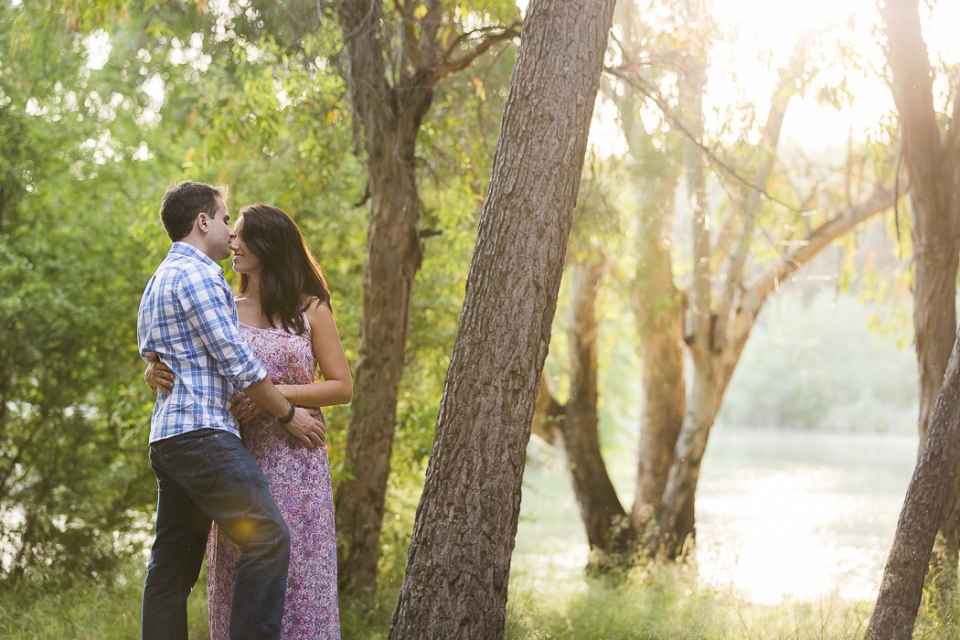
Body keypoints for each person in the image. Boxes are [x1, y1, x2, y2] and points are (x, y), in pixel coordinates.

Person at [146, 203, 352, 639]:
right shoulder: (224, 303)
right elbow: (191, 348)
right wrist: (151, 366)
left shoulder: (310, 309)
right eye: (231, 231)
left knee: (301, 581)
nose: (233, 242)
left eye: (241, 235)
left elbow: (340, 387)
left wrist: (277, 400)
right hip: (238, 456)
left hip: (298, 463)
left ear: (270, 245)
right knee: (249, 561)